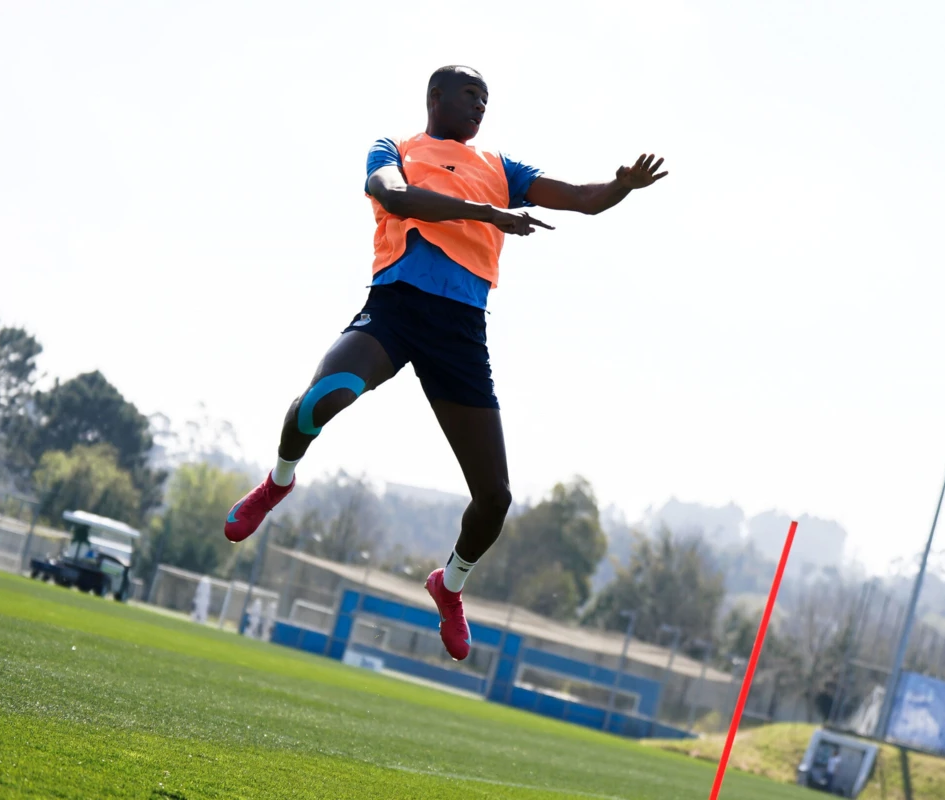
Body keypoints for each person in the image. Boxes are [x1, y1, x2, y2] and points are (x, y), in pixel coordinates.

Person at [223, 65, 667, 661]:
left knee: (495, 500)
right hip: (396, 311)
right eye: (470, 95)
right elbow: (391, 194)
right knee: (320, 399)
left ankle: (449, 585)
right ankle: (278, 482)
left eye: (487, 99)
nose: (480, 107)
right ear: (435, 98)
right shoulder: (396, 148)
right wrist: (487, 214)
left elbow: (584, 200)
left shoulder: (502, 168)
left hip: (460, 332)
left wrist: (620, 188)